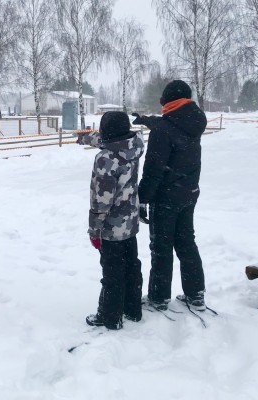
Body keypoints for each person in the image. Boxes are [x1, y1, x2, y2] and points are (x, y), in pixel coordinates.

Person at [136, 80, 207, 311]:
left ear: (166, 100)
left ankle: (158, 298)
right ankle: (196, 295)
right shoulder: (193, 121)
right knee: (186, 243)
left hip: (166, 198)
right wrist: (147, 120)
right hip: (189, 193)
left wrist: (142, 198)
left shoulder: (164, 130)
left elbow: (154, 169)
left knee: (161, 248)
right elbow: (171, 128)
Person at [86, 111, 145, 330]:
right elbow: (112, 142)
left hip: (111, 227)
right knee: (131, 266)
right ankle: (132, 309)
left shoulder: (105, 158)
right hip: (130, 222)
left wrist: (94, 230)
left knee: (112, 273)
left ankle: (109, 317)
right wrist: (86, 138)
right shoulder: (135, 145)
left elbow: (101, 201)